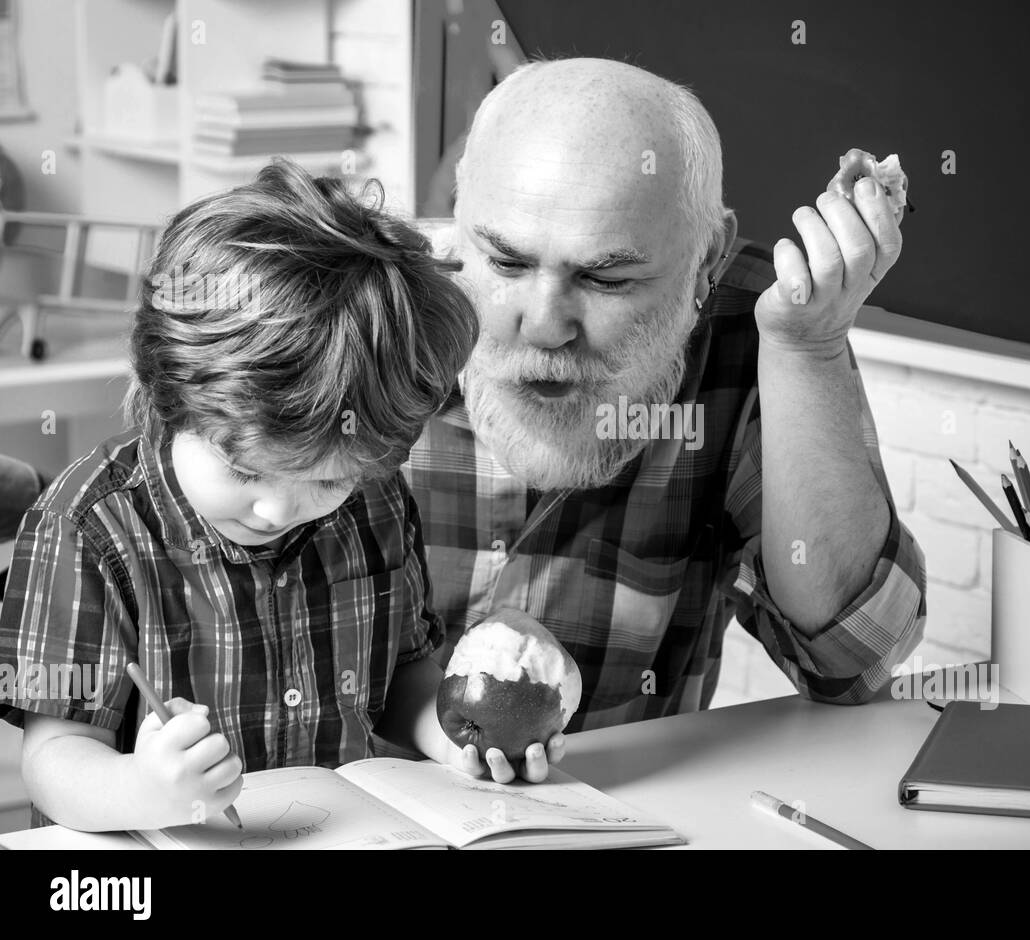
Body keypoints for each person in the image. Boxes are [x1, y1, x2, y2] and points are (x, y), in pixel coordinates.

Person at [407, 57, 928, 785]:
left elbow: (851, 663)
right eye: (506, 261)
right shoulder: (357, 313)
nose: (546, 325)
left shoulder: (760, 330)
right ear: (458, 229)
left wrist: (808, 351)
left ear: (705, 260)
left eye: (605, 277)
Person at [0, 160, 483, 830]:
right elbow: (53, 759)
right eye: (245, 471)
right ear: (168, 398)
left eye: (326, 479)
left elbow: (404, 675)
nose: (278, 510)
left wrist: (453, 731)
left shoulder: (377, 505)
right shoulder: (88, 528)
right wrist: (143, 788)